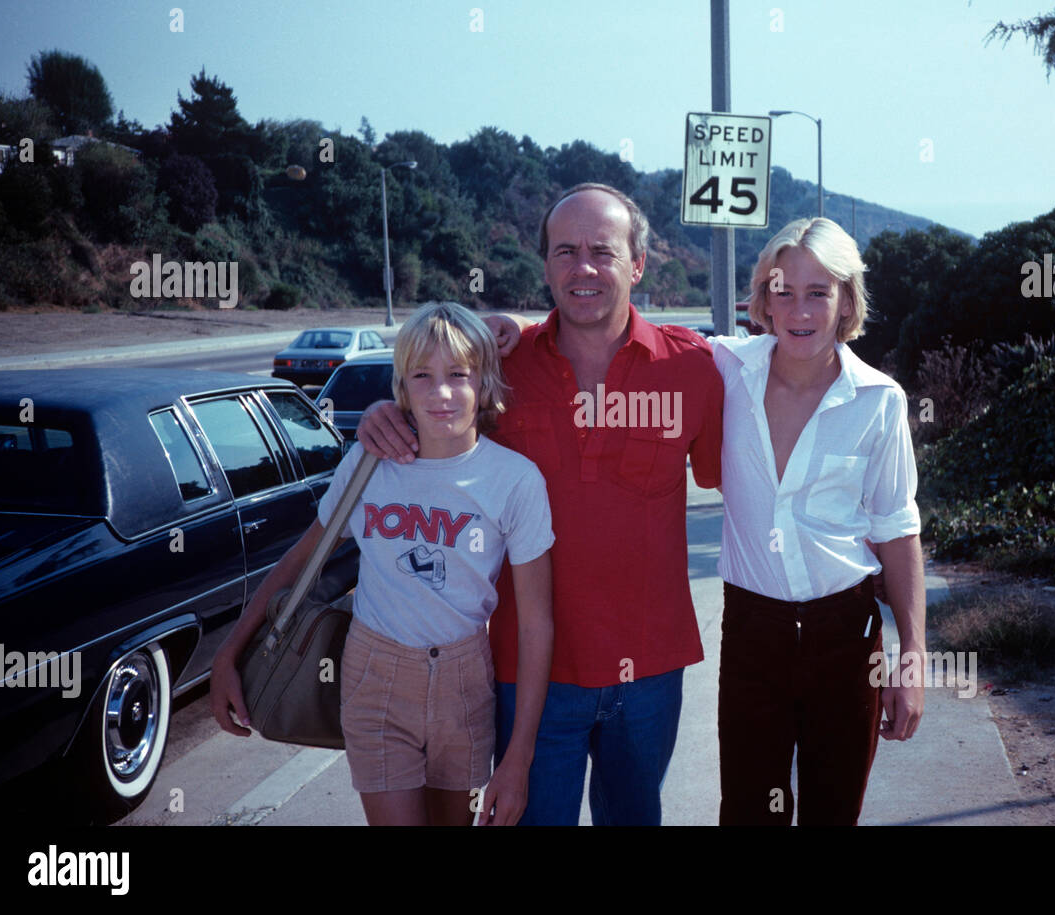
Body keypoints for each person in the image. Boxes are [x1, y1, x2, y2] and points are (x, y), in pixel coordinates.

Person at [356, 183, 725, 825]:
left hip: (650, 670)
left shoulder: (692, 369)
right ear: (546, 265)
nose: (583, 268)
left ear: (637, 264)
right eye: (565, 251)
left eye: (602, 252)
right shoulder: (502, 364)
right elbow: (433, 397)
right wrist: (384, 414)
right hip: (527, 675)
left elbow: (750, 459)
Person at [210, 302, 554, 826]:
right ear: (401, 386)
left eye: (458, 375)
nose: (441, 393)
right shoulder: (370, 464)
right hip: (374, 674)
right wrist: (227, 655)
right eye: (422, 376)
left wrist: (519, 759)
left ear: (483, 383)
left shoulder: (515, 480)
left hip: (464, 682)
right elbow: (297, 565)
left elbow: (535, 623)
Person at [713, 217, 925, 825]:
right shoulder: (725, 370)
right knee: (751, 816)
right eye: (783, 290)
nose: (799, 308)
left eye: (818, 292)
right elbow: (628, 341)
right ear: (763, 298)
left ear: (845, 301)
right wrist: (504, 331)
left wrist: (910, 662)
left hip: (846, 635)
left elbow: (897, 530)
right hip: (752, 631)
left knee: (834, 815)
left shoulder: (879, 400)